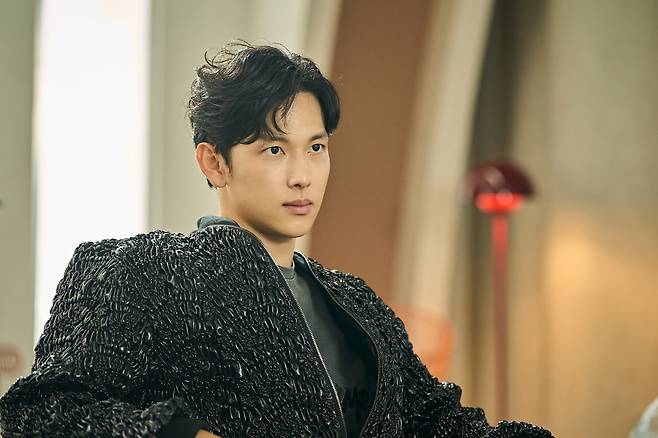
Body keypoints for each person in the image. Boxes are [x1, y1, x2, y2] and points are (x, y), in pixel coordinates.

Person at [0, 41, 552, 437]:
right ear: (214, 162)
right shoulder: (141, 271)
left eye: (316, 148)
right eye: (273, 150)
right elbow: (39, 414)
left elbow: (436, 421)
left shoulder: (357, 303)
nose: (302, 176)